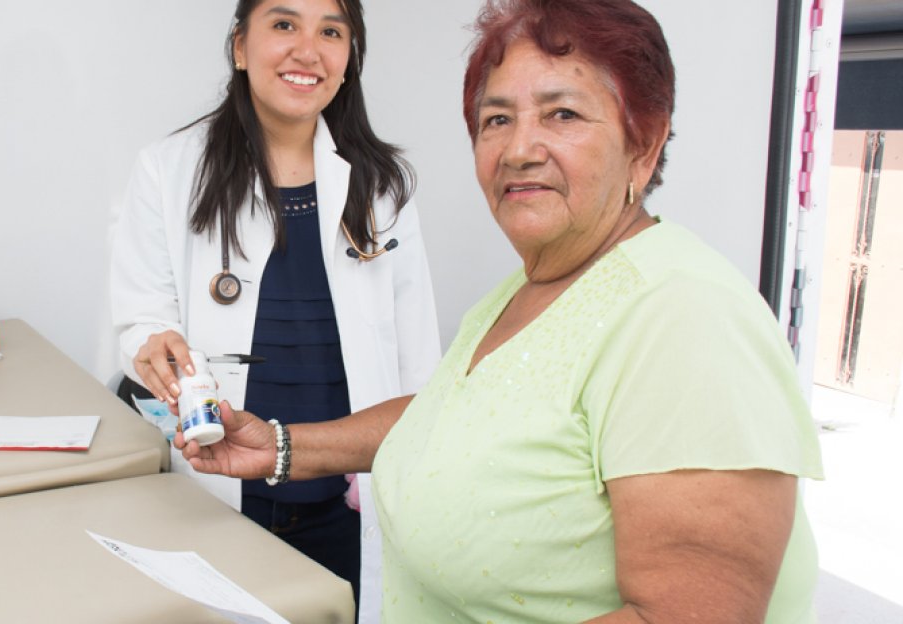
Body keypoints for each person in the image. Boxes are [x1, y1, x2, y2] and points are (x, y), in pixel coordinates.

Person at [178, 0, 826, 621]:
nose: (519, 148)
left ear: (643, 142)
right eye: (496, 120)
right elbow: (454, 419)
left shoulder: (685, 318)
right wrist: (282, 447)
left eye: (563, 114)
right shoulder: (525, 292)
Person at [108, 0, 440, 616]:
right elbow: (141, 313)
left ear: (348, 58)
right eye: (284, 24)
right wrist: (153, 345)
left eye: (331, 32)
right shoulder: (168, 170)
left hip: (346, 498)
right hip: (220, 491)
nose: (307, 50)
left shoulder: (383, 185)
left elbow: (419, 365)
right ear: (240, 46)